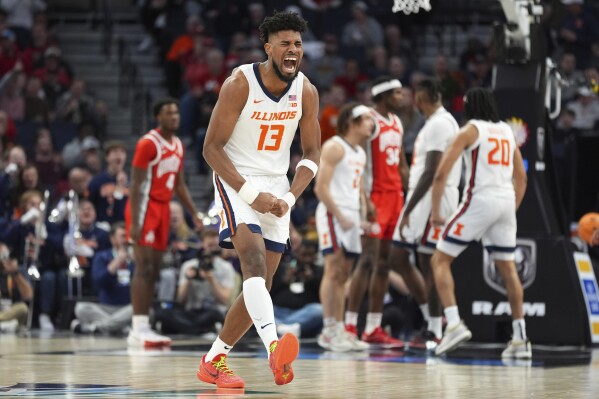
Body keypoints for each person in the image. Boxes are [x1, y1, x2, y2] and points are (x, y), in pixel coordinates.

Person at [198, 10, 320, 389]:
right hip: (236, 177)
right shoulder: (240, 83)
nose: (293, 50)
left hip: (276, 184)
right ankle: (273, 348)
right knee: (252, 264)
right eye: (285, 43)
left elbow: (312, 155)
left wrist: (289, 195)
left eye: (298, 44)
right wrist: (252, 194)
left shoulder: (307, 91)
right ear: (268, 48)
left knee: (261, 286)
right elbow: (210, 148)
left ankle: (214, 358)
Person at [430, 88, 530, 358]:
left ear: (469, 107)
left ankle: (453, 324)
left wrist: (436, 212)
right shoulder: (508, 132)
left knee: (439, 261)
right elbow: (521, 178)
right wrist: (509, 210)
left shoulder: (470, 130)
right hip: (506, 202)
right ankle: (521, 339)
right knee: (508, 269)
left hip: (480, 200)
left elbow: (441, 174)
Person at [125, 98, 202, 348]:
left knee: (156, 270)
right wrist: (136, 221)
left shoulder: (178, 145)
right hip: (145, 207)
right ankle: (137, 327)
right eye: (169, 113)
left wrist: (194, 213)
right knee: (144, 268)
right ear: (158, 117)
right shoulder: (148, 143)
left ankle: (145, 324)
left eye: (176, 113)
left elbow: (179, 184)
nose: (174, 117)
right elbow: (136, 183)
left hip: (164, 208)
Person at [392, 78, 462, 348]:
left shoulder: (440, 124)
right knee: (421, 262)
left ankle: (436, 327)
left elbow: (432, 170)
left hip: (434, 200)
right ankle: (432, 324)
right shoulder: (440, 123)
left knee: (417, 261)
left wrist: (409, 209)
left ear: (422, 99)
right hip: (431, 197)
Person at [345, 76, 409, 348]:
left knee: (384, 264)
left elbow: (403, 164)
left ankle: (373, 326)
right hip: (374, 196)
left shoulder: (397, 121)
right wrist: (363, 198)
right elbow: (357, 160)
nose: (402, 96)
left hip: (395, 197)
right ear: (383, 95)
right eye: (396, 93)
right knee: (367, 261)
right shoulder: (368, 120)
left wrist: (408, 199)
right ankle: (349, 325)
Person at [315, 102, 374, 352]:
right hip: (332, 213)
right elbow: (320, 188)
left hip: (350, 217)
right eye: (367, 119)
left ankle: (340, 329)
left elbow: (357, 188)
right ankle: (329, 331)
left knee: (343, 275)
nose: (372, 123)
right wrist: (339, 214)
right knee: (333, 270)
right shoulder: (334, 147)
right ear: (352, 122)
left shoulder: (359, 152)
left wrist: (363, 212)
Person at [155, 229, 236, 335]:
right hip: (190, 312)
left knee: (214, 315)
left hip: (212, 311)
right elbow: (180, 299)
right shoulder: (189, 266)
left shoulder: (226, 267)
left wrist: (212, 280)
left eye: (216, 246)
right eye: (210, 245)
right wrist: (188, 279)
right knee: (162, 313)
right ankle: (197, 329)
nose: (212, 249)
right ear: (203, 245)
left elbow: (225, 300)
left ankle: (187, 329)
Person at [71, 222, 134, 335]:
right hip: (105, 308)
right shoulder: (102, 256)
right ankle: (120, 327)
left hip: (127, 307)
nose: (126, 240)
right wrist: (117, 262)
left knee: (142, 311)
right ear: (112, 239)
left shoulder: (136, 258)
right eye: (123, 236)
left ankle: (93, 328)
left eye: (128, 236)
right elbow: (99, 281)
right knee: (80, 308)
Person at [87, 140, 129, 225]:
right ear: (107, 157)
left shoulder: (131, 181)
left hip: (124, 226)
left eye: (122, 152)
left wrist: (120, 186)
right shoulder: (97, 181)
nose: (119, 155)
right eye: (115, 152)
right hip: (103, 226)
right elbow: (89, 202)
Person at [0, 242, 32, 333]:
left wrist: (15, 274)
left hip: (11, 310)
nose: (3, 259)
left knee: (23, 308)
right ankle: (6, 325)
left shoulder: (18, 270)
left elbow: (28, 296)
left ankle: (4, 325)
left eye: (5, 255)